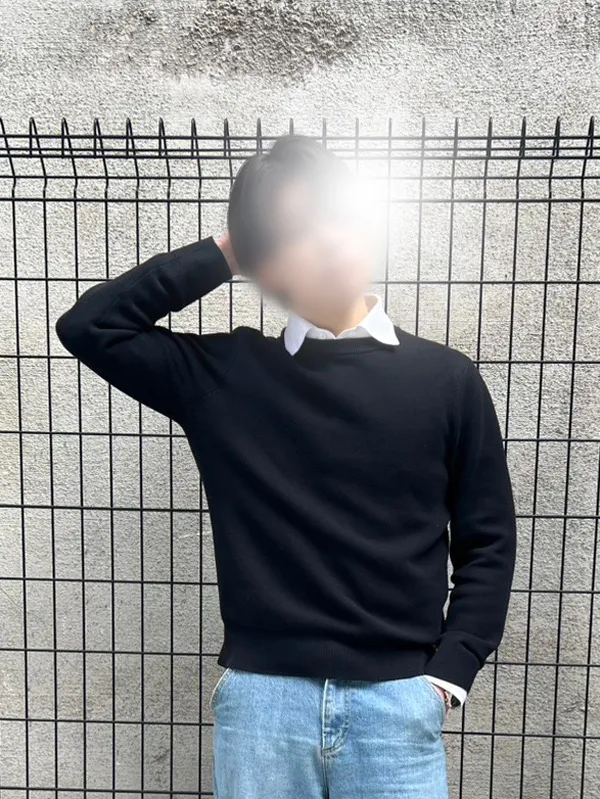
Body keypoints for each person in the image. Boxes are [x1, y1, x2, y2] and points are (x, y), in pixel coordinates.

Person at [55, 133, 517, 798]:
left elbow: (489, 539)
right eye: (297, 230)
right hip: (264, 706)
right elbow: (90, 326)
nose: (326, 240)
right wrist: (229, 250)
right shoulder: (226, 377)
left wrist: (451, 671)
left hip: (399, 701)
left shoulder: (448, 380)